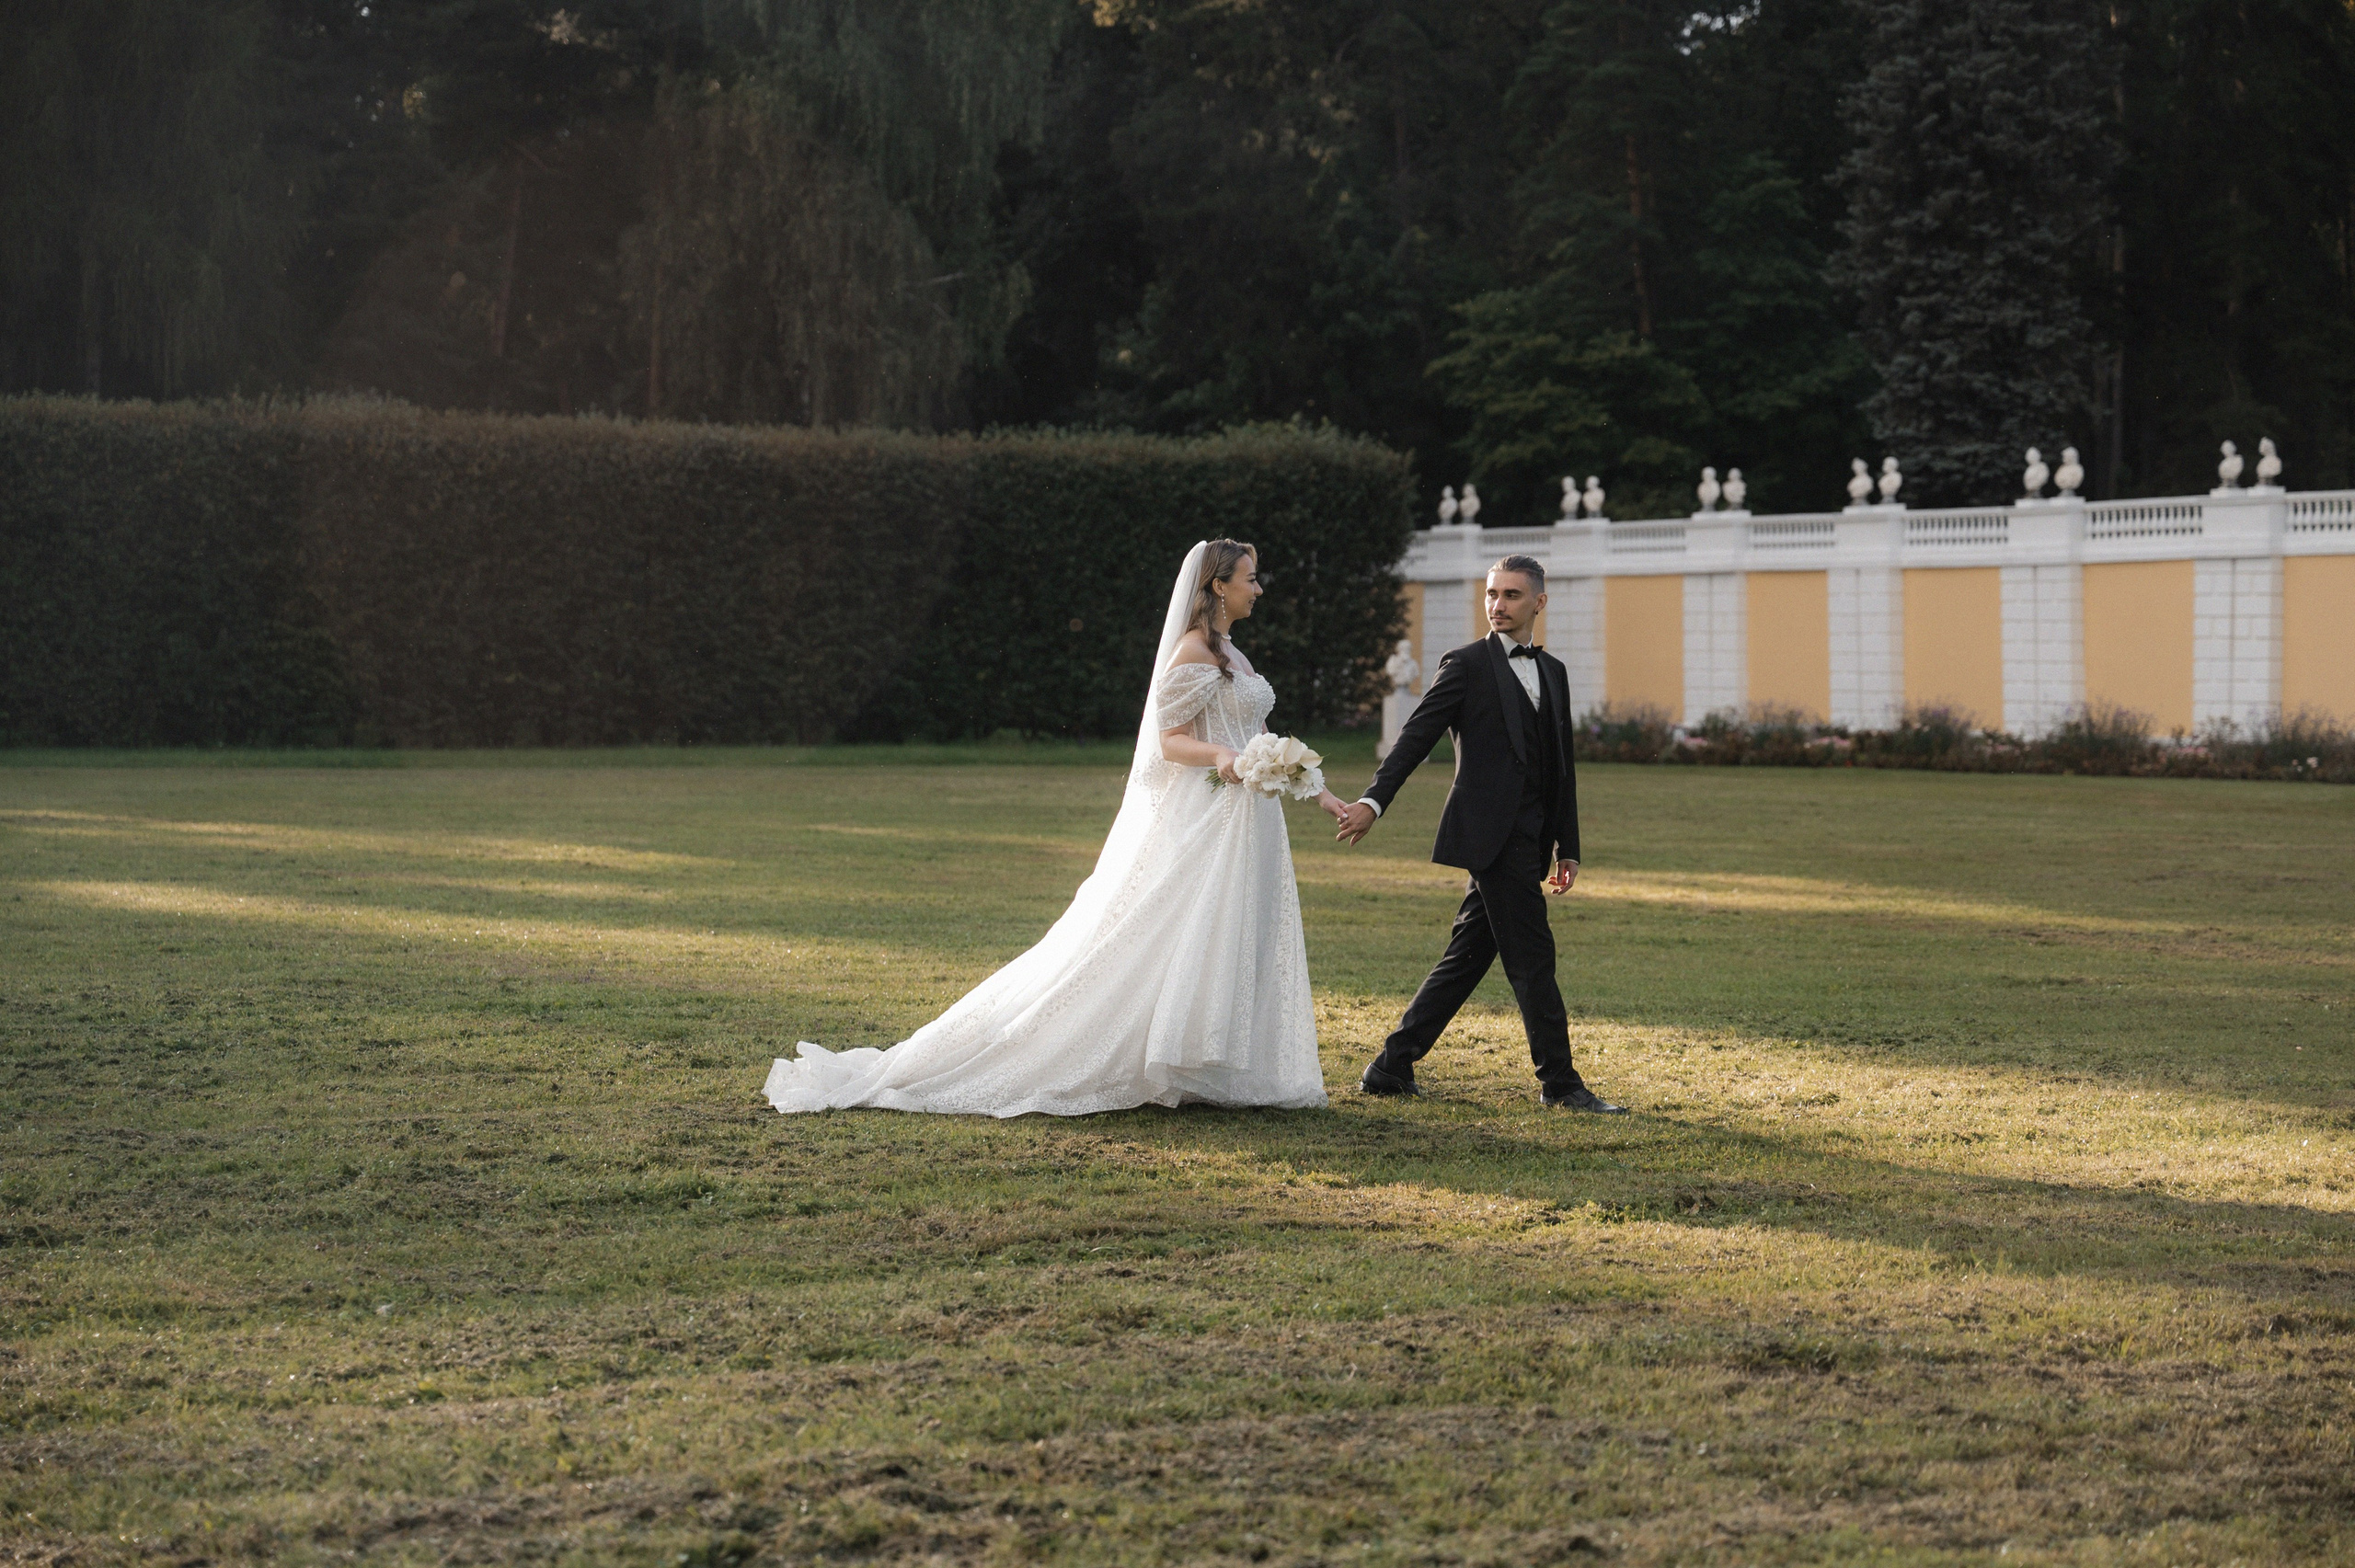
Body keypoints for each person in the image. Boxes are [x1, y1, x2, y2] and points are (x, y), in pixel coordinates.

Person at [764, 539, 1350, 1117]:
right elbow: (1169, 742)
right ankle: (1147, 1053)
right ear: (1219, 586)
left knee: (1231, 931)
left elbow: (1263, 740)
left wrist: (1322, 795)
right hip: (1206, 818)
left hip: (1250, 821)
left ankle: (1209, 1061)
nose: (1259, 589)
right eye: (1250, 578)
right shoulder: (1193, 652)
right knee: (1171, 929)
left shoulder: (1234, 656)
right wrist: (1220, 755)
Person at [1334, 554, 1625, 1113]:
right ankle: (1561, 1084)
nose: (1498, 605)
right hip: (1490, 835)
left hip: (1534, 837)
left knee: (1468, 955)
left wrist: (1568, 846)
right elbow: (1415, 738)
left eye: (1512, 595)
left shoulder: (1554, 671)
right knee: (1533, 957)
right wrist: (1373, 801)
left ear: (1539, 602)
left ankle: (1391, 1065)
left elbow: (1561, 768)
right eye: (1492, 593)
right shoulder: (1465, 665)